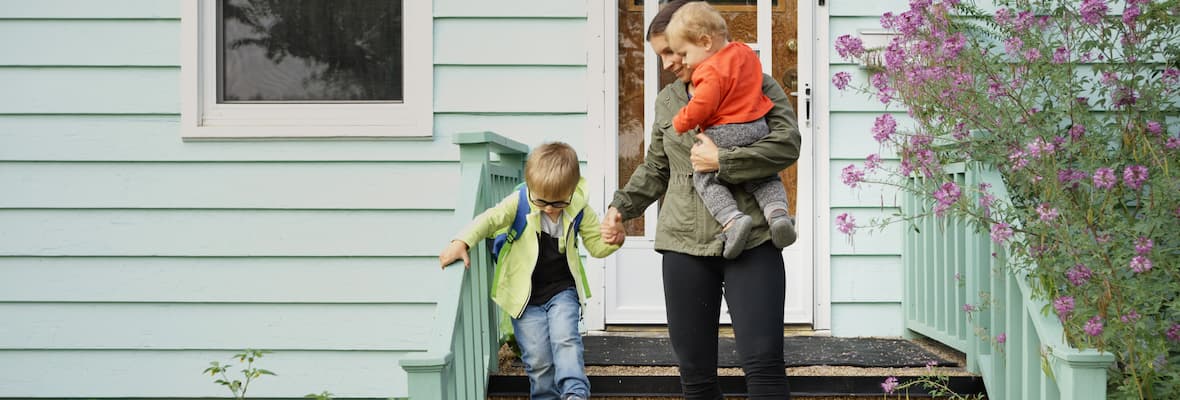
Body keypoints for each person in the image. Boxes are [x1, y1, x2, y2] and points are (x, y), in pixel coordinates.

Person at [600, 0, 802, 398]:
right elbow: (657, 166)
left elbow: (787, 145)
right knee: (696, 376)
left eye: (673, 51)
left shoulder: (757, 82)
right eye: (661, 54)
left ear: (698, 41)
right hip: (683, 243)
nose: (668, 63)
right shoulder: (669, 101)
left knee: (764, 366)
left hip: (754, 239)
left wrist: (723, 160)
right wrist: (620, 208)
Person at [440, 142, 620, 400]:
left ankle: (575, 393)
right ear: (531, 187)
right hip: (524, 297)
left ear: (571, 190)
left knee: (565, 341)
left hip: (562, 291)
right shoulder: (520, 201)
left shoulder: (579, 208)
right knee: (538, 358)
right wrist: (461, 241)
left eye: (558, 202)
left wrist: (614, 241)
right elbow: (489, 219)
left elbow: (596, 246)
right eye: (541, 201)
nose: (548, 208)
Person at [664, 1, 796, 259]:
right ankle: (778, 214)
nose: (683, 61)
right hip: (758, 127)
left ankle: (732, 220)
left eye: (684, 54)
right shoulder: (745, 53)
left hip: (725, 131)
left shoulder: (709, 70)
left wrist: (681, 121)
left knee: (704, 176)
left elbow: (704, 104)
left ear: (704, 42)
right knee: (765, 177)